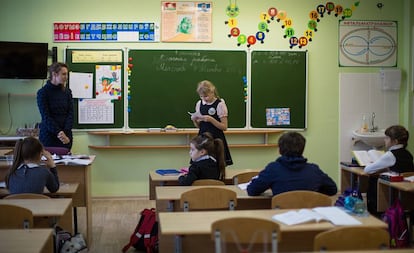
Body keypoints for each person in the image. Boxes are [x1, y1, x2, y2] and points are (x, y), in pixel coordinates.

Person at [247, 131, 338, 196]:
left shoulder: (273, 169)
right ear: (302, 149)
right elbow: (332, 190)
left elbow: (252, 191)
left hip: (280, 216)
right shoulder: (314, 170)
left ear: (280, 150)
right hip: (309, 218)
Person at [364, 125, 414, 216]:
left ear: (395, 141)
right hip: (408, 194)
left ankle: (376, 212)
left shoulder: (390, 155)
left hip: (395, 192)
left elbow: (367, 170)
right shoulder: (408, 153)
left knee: (373, 179)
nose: (384, 140)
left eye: (387, 138)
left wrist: (372, 164)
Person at [191, 80, 233, 166]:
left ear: (212, 92)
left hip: (216, 140)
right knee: (200, 165)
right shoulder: (199, 104)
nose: (204, 99)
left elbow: (224, 127)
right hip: (202, 139)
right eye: (201, 96)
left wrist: (211, 120)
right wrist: (195, 120)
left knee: (215, 165)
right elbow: (199, 127)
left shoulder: (220, 104)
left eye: (206, 96)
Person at [37, 62, 73, 152]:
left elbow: (71, 113)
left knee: (66, 164)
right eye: (63, 74)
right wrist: (59, 133)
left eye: (67, 74)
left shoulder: (67, 92)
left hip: (66, 136)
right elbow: (46, 116)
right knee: (50, 163)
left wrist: (65, 133)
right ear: (54, 74)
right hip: (49, 137)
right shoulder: (43, 92)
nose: (66, 77)